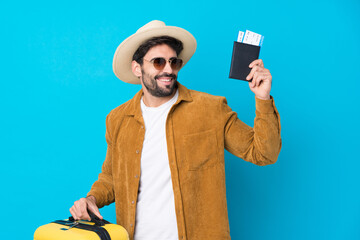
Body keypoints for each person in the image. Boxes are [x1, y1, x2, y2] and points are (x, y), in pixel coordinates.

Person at [69, 20, 281, 240]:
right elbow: (111, 178)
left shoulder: (211, 109)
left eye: (174, 62)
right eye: (158, 62)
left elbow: (264, 153)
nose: (168, 69)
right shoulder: (118, 119)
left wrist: (262, 98)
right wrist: (91, 199)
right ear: (137, 68)